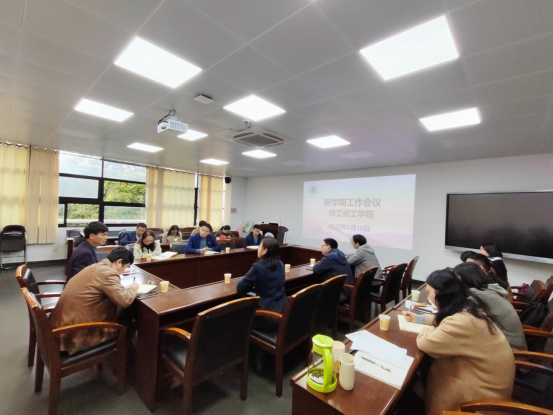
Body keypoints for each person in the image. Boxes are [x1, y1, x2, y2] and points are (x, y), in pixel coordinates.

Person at [402, 270, 515, 414]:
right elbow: (443, 319)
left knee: (412, 385)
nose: (428, 296)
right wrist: (420, 318)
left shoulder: (462, 322)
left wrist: (425, 331)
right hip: (486, 382)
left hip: (478, 400)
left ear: (440, 294)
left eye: (429, 292)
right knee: (419, 378)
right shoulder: (469, 309)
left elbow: (425, 343)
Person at [50, 248, 139, 355]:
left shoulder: (93, 267)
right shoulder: (108, 273)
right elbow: (125, 301)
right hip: (74, 335)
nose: (124, 271)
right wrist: (133, 287)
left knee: (121, 312)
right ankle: (127, 356)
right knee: (128, 316)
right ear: (119, 262)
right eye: (125, 267)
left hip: (61, 327)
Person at [453, 262, 527, 351]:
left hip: (509, 349)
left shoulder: (478, 296)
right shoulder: (490, 290)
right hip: (508, 343)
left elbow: (462, 320)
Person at [237, 238, 286, 331]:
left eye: (259, 247)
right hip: (281, 311)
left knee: (238, 317)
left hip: (266, 316)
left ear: (265, 251)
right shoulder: (280, 263)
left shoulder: (258, 267)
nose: (258, 249)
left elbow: (241, 287)